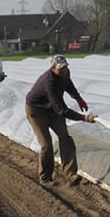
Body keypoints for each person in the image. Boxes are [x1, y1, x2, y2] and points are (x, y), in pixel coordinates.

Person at [25, 54, 97, 185]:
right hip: (37, 112)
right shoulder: (49, 82)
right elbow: (62, 110)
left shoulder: (65, 73)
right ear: (53, 68)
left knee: (66, 138)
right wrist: (84, 118)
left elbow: (68, 85)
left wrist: (78, 99)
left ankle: (71, 174)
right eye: (60, 68)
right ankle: (45, 178)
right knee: (46, 145)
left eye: (65, 67)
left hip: (52, 110)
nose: (63, 70)